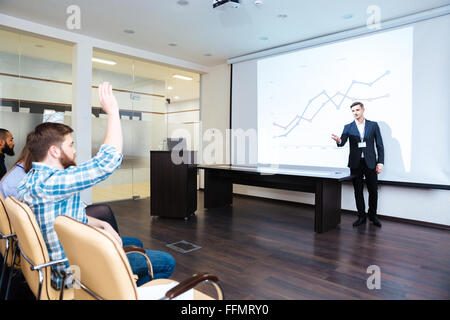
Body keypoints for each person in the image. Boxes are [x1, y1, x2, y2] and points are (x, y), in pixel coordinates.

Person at [17, 82, 175, 289]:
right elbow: (107, 162)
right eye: (71, 145)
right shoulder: (51, 183)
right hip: (74, 273)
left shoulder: (29, 180)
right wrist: (113, 112)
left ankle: (126, 285)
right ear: (55, 151)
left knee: (135, 241)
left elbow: (66, 217)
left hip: (60, 261)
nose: (74, 151)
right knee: (166, 262)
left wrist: (102, 224)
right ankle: (124, 292)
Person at [331, 101, 384, 228]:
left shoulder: (373, 125)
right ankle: (361, 216)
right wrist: (339, 141)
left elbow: (380, 145)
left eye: (357, 110)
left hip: (370, 163)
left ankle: (373, 216)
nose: (355, 113)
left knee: (373, 190)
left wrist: (380, 162)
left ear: (363, 110)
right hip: (356, 164)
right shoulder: (348, 127)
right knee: (358, 191)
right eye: (353, 111)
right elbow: (342, 142)